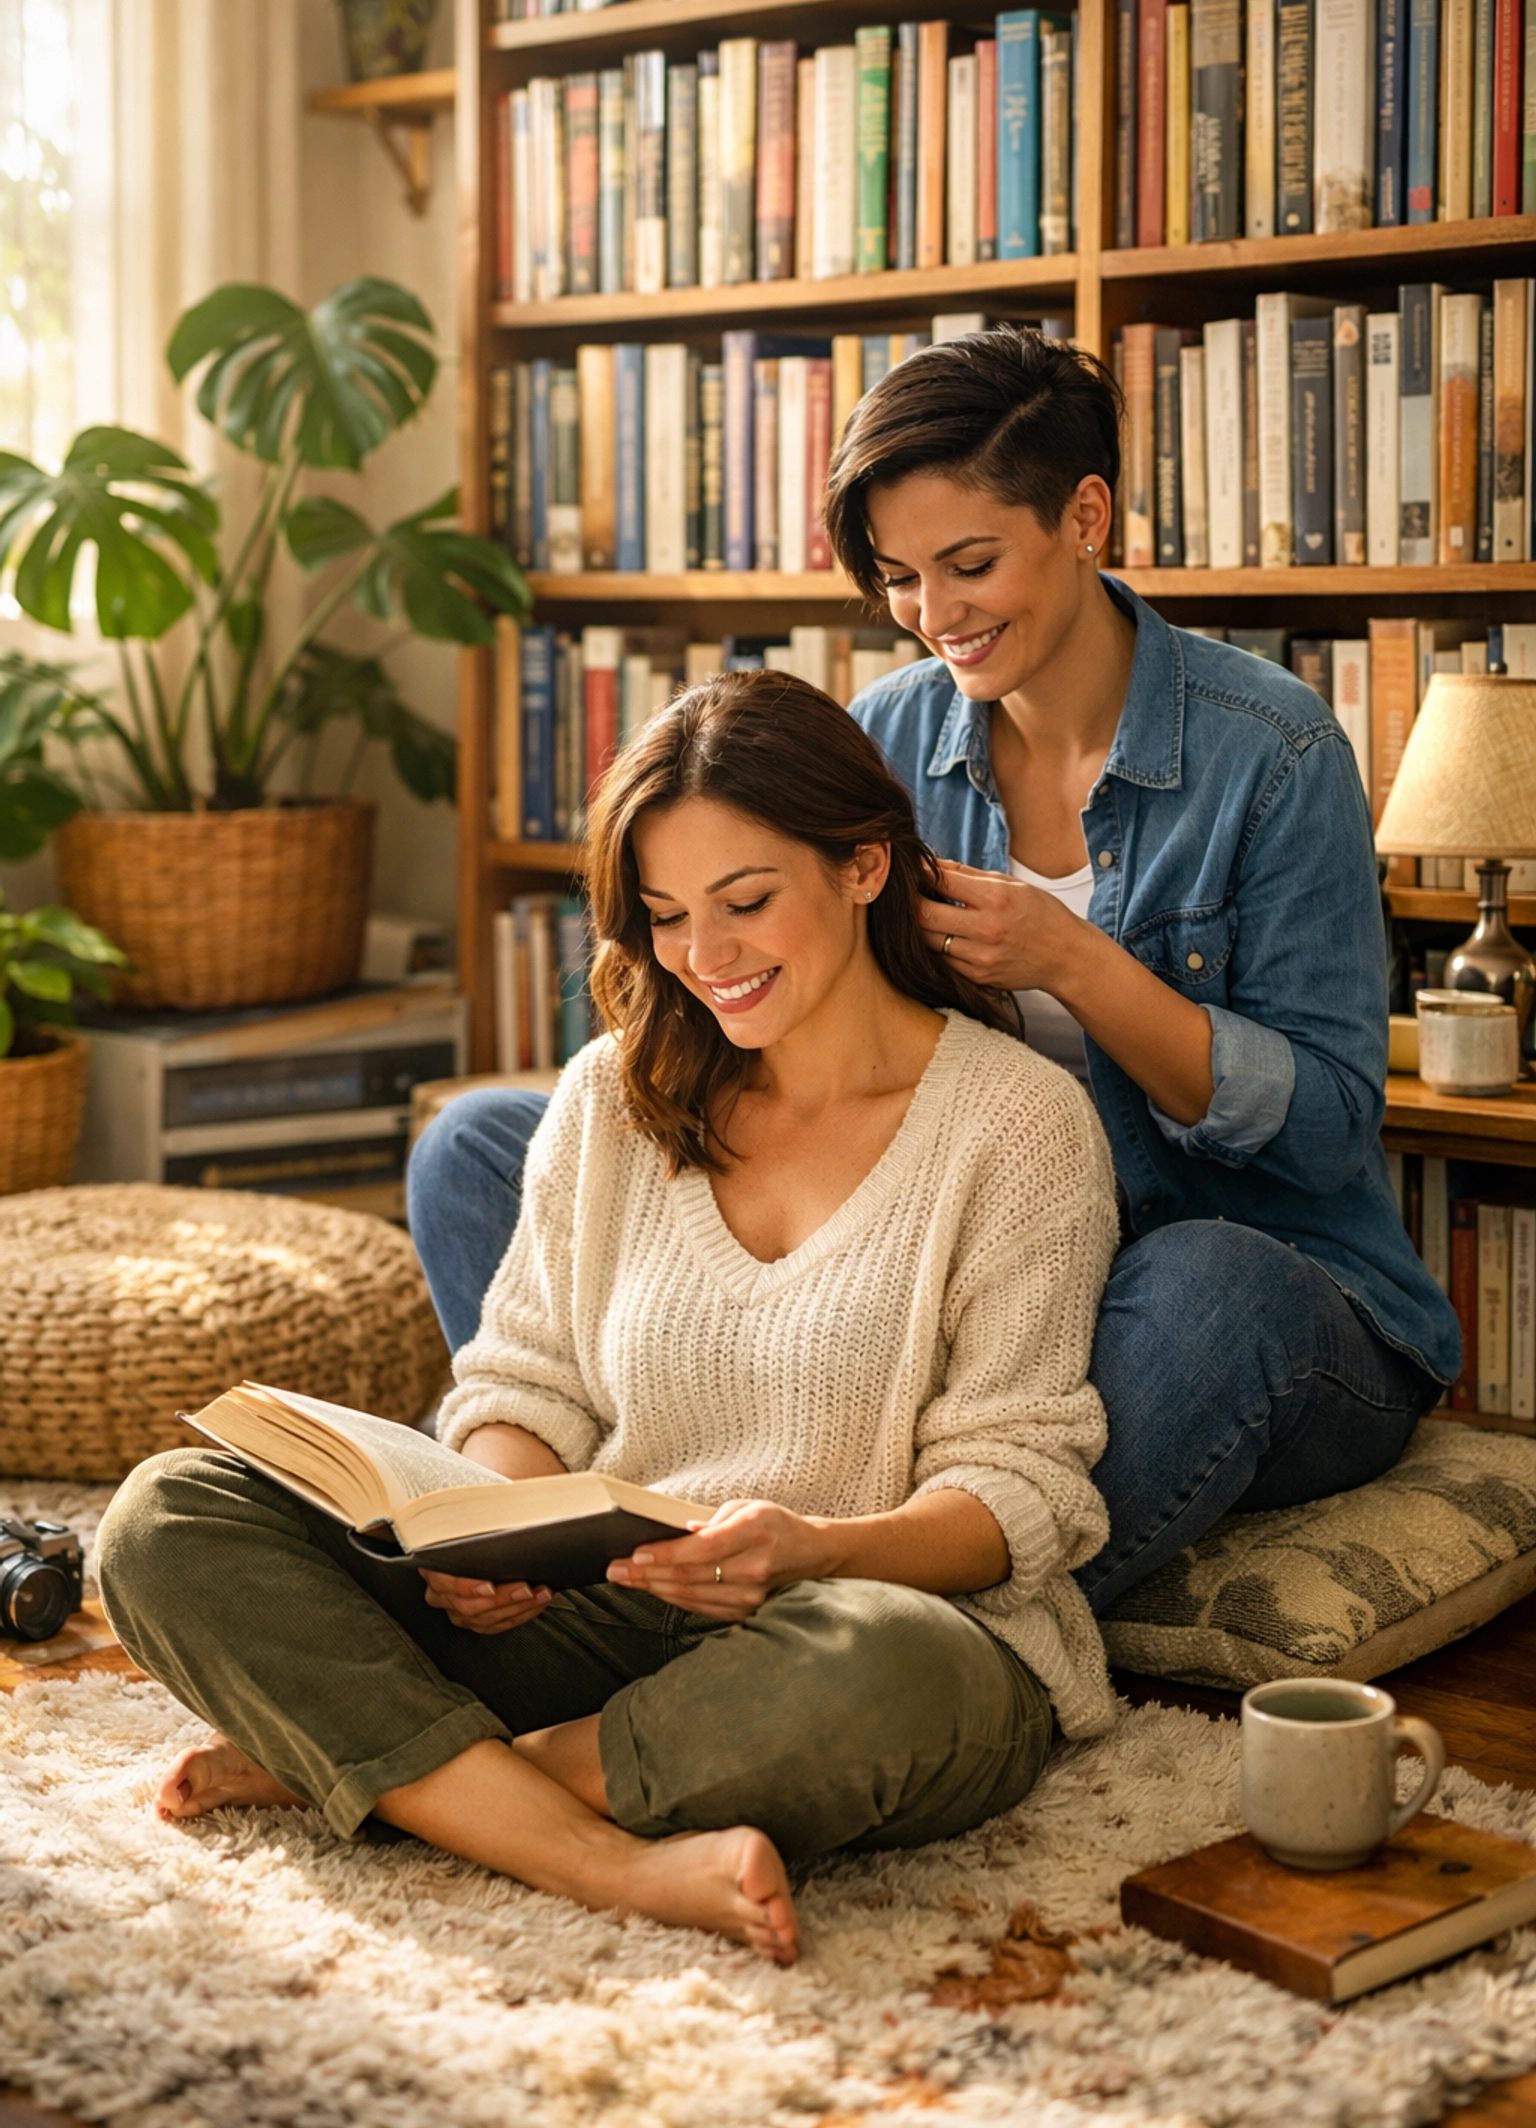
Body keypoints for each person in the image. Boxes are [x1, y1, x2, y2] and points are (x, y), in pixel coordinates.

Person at [410, 331, 1459, 1619]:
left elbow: (1328, 1129)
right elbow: (758, 965)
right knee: (480, 1144)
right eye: (901, 579)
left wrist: (1075, 964)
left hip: (1238, 1279)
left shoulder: (1273, 752)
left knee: (1209, 1284)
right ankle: (616, 1537)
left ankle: (883, 1607)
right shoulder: (901, 731)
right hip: (950, 1251)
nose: (936, 614)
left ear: (1087, 517)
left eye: (972, 565)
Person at [97, 670, 1119, 1964]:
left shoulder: (1019, 1127)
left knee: (900, 1671)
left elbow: (1013, 1498)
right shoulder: (615, 1095)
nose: (708, 960)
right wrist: (485, 1531)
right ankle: (599, 1855)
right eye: (669, 919)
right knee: (166, 1516)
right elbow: (526, 1388)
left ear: (865, 867)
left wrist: (806, 1550)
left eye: (747, 903)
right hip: (599, 1620)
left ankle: (397, 1771)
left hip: (840, 1626)